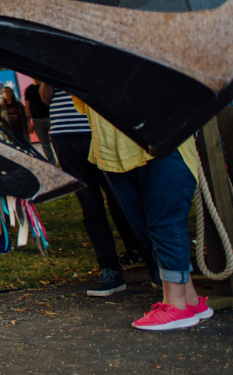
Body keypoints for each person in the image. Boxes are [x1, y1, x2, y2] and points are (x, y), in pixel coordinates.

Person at [75, 98, 208, 331]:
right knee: (145, 228)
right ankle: (190, 299)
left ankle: (175, 305)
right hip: (113, 149)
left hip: (160, 138)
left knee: (164, 223)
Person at [40, 84, 149, 296]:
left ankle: (150, 260)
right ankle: (110, 269)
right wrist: (47, 79)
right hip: (64, 136)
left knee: (121, 198)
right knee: (90, 206)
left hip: (98, 131)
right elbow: (45, 99)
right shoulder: (48, 59)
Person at [23, 79, 56, 164]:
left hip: (50, 117)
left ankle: (61, 161)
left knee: (56, 141)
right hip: (37, 119)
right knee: (44, 143)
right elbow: (27, 106)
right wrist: (29, 122)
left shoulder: (45, 87)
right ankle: (52, 163)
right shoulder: (29, 89)